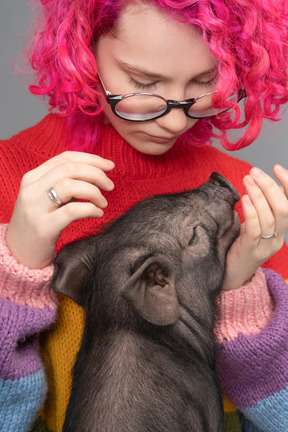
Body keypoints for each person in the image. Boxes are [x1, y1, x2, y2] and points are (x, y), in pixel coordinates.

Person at [0, 0, 287, 431]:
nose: (174, 120)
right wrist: (14, 271)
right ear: (83, 46)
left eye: (205, 82)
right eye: (143, 83)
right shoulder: (8, 176)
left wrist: (241, 288)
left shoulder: (247, 201)